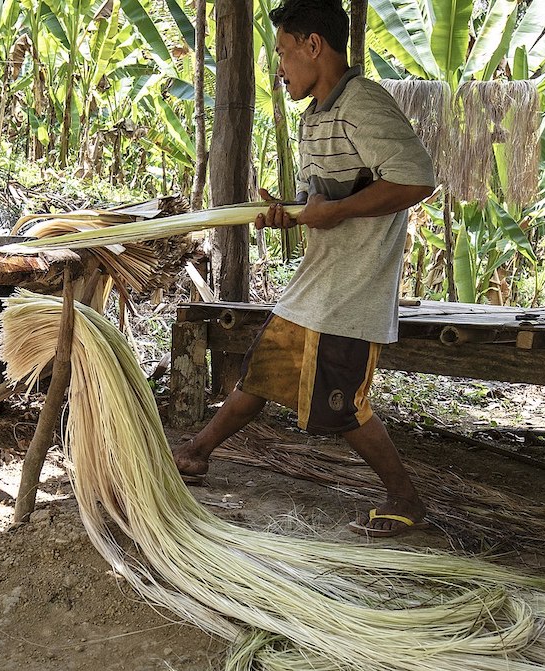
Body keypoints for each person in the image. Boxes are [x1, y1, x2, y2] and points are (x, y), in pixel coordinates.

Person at [173, 0, 436, 537]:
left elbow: (415, 181)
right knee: (263, 370)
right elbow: (328, 198)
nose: (280, 67)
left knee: (342, 405)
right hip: (318, 284)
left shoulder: (362, 104)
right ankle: (198, 452)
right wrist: (288, 211)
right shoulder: (319, 114)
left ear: (314, 46)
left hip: (350, 291)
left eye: (285, 52)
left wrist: (333, 211)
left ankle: (406, 500)